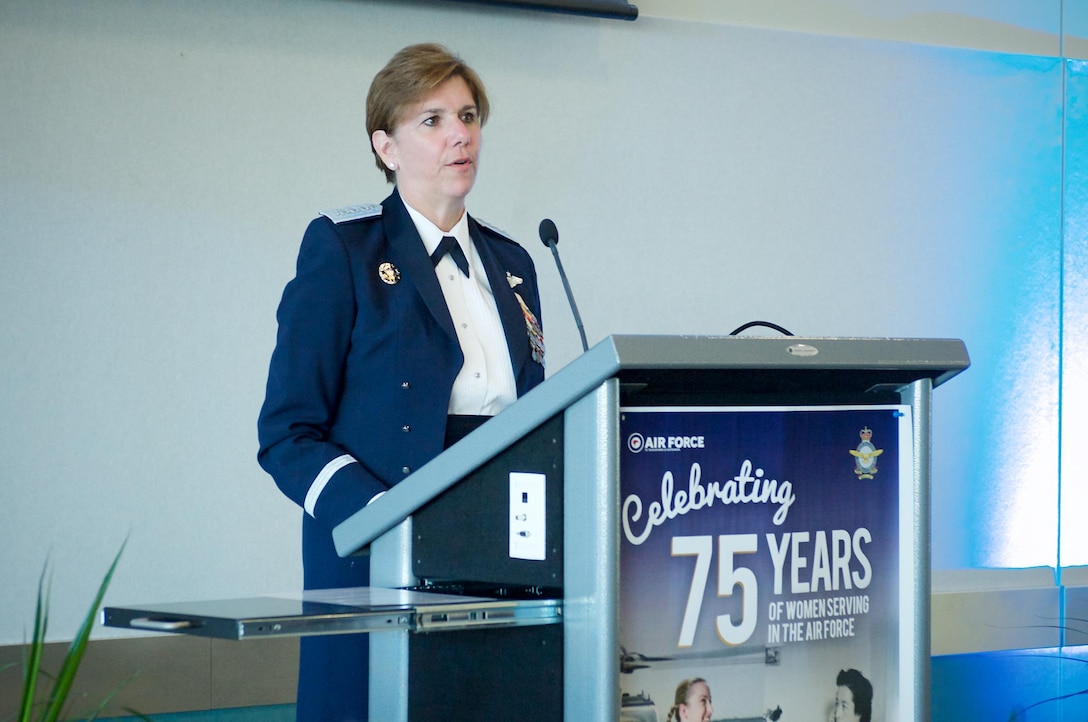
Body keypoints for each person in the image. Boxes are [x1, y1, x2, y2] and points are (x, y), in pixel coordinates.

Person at [257, 43, 545, 722]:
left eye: (469, 115)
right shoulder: (344, 249)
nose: (460, 134)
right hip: (378, 561)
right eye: (432, 119)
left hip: (501, 563)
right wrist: (384, 519)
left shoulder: (514, 264)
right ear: (385, 148)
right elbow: (286, 433)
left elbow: (535, 420)